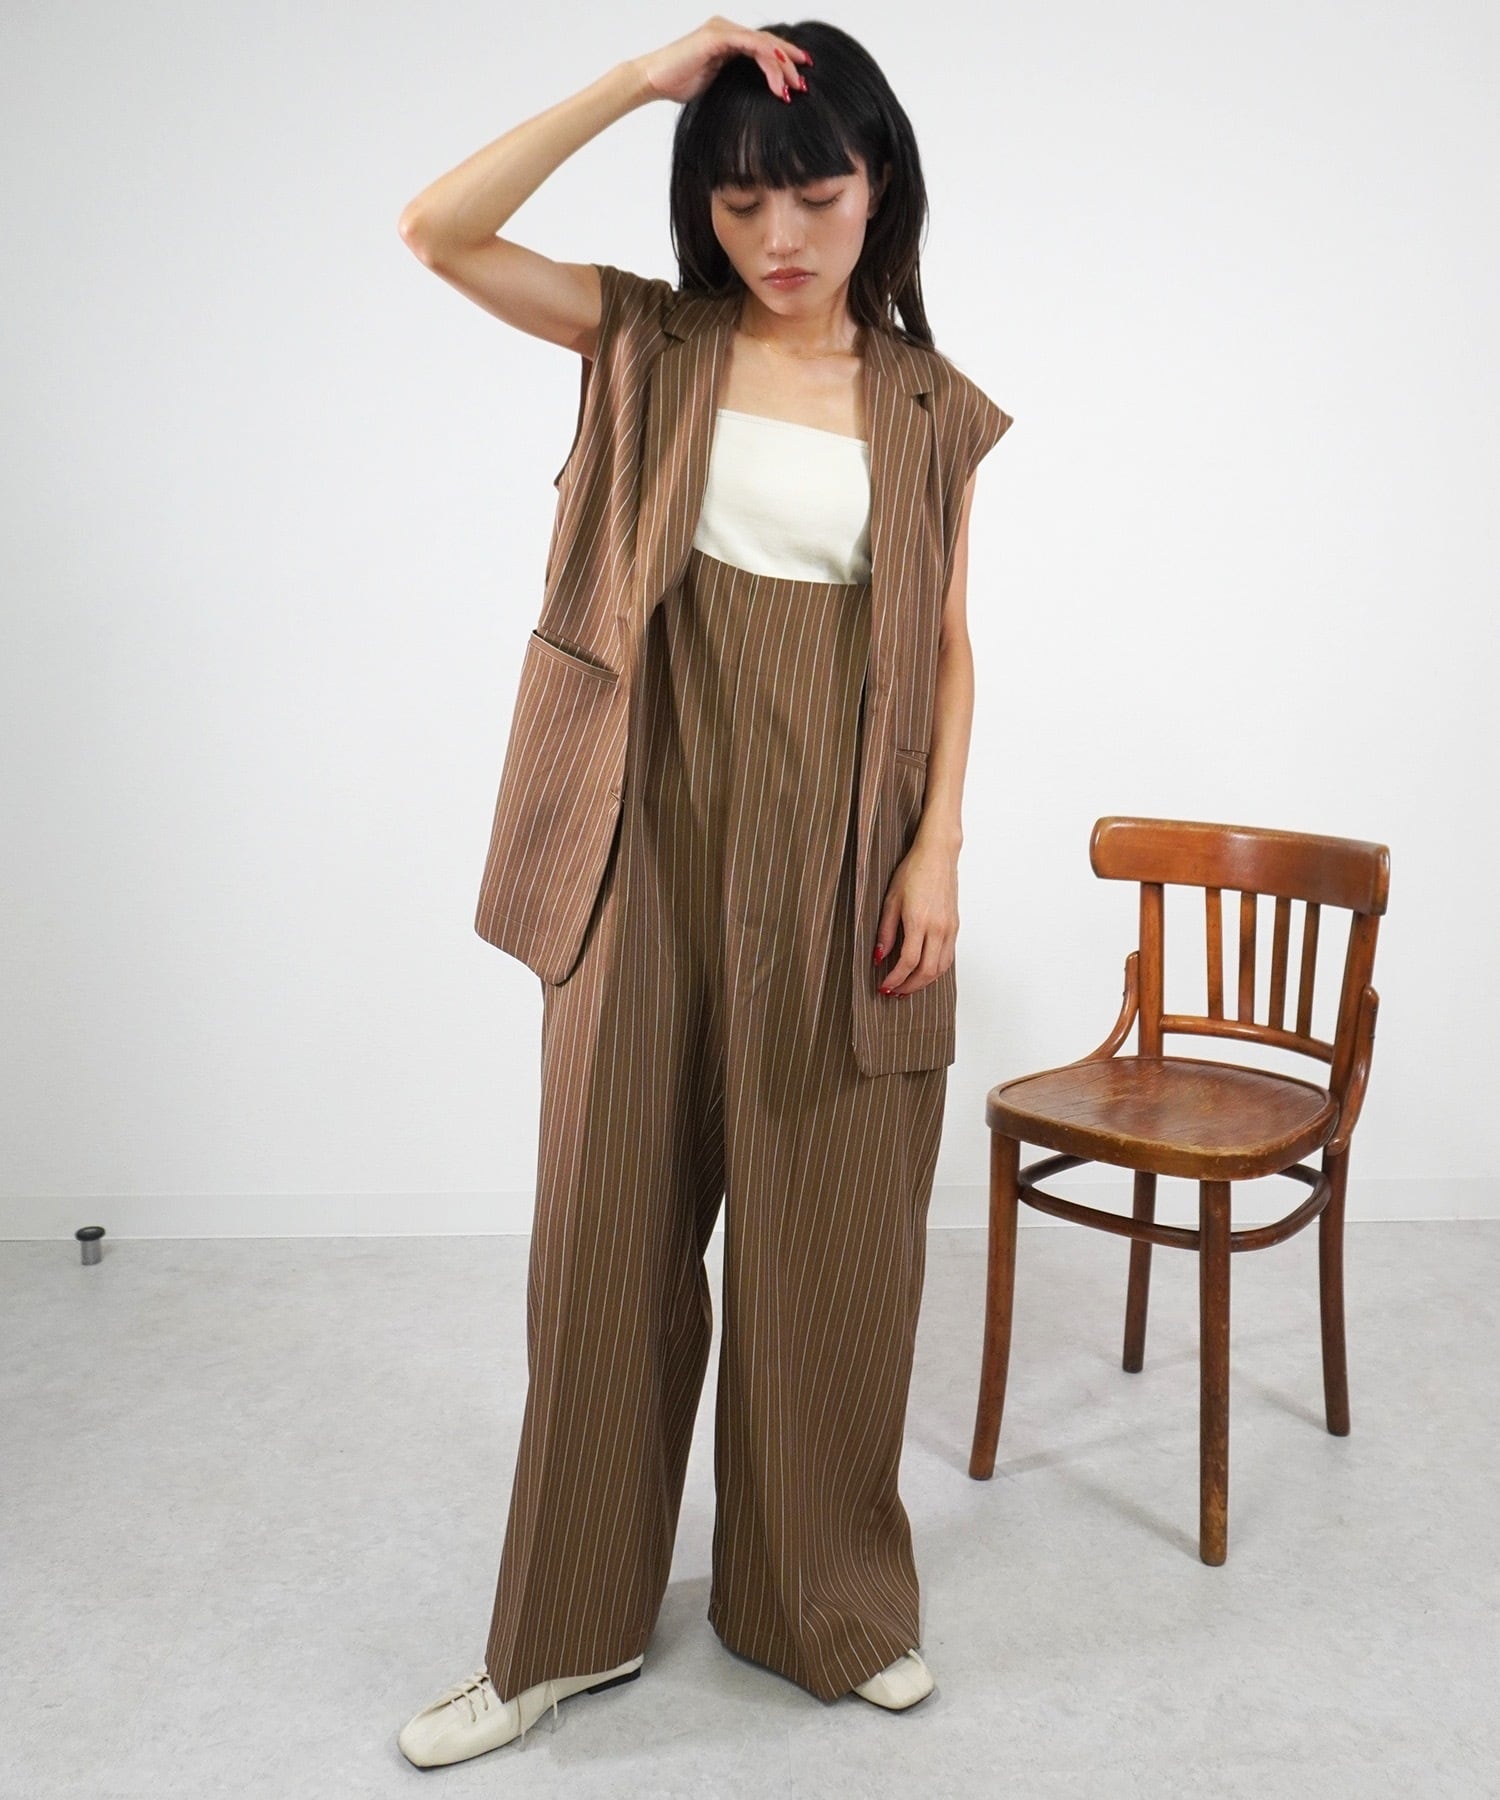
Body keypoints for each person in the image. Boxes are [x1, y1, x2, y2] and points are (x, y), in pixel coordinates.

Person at [394, 16, 1012, 1767]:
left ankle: (824, 1607)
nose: (779, 235)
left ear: (879, 187)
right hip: (638, 838)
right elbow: (438, 229)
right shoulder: (646, 341)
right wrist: (638, 81)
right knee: (607, 1246)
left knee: (835, 1254)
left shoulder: (931, 407)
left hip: (846, 854)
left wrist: (938, 845)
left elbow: (949, 641)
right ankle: (559, 1631)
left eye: (814, 193)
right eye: (740, 202)